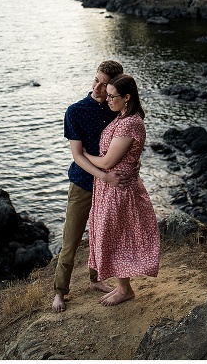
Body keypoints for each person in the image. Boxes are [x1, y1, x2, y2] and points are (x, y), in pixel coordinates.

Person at [53, 60, 129, 313]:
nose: (98, 88)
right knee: (71, 239)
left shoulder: (117, 108)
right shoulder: (75, 111)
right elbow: (78, 156)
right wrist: (104, 176)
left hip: (110, 188)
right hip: (84, 184)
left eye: (105, 85)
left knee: (102, 235)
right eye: (96, 80)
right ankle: (60, 292)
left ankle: (96, 279)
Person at [82, 73, 160, 307]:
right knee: (115, 236)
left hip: (119, 190)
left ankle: (124, 289)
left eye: (113, 96)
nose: (108, 100)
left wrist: (82, 155)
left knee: (117, 238)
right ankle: (122, 287)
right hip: (111, 187)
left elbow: (107, 162)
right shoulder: (122, 117)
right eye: (108, 95)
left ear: (127, 97)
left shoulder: (130, 123)